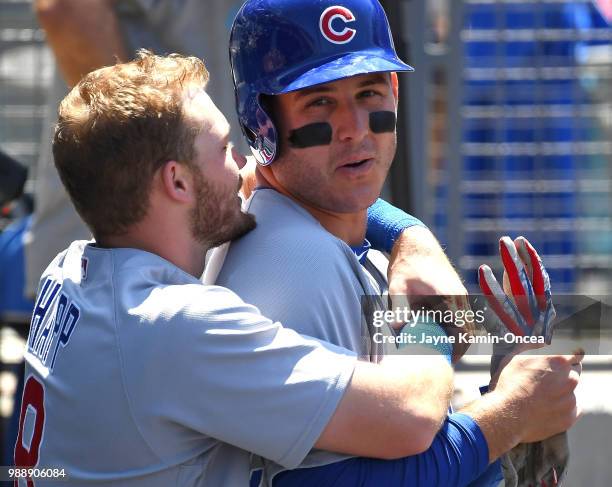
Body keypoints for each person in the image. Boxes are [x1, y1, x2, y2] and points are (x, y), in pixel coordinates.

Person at [13, 51, 581, 487]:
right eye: (222, 149)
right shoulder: (179, 328)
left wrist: (411, 237)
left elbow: (286, 177)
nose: (245, 161)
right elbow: (410, 415)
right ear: (177, 183)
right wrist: (510, 403)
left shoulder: (73, 271)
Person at [214, 0, 583, 485]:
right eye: (319, 101)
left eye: (368, 92)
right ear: (264, 122)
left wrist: (411, 235)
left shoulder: (313, 224)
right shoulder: (300, 266)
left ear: (394, 91)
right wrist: (511, 412)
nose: (355, 128)